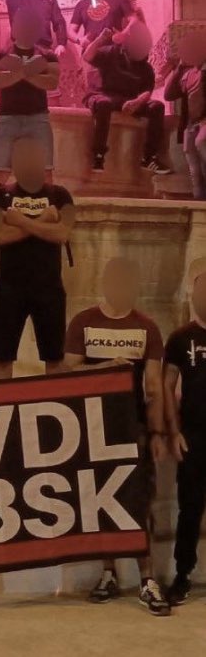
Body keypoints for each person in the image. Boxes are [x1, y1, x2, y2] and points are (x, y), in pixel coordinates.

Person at [62, 257, 169, 616]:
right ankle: (108, 572)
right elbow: (67, 372)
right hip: (91, 428)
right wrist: (107, 366)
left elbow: (153, 387)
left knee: (138, 502)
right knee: (99, 502)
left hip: (132, 426)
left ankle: (147, 578)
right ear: (104, 281)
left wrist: (156, 431)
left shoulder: (148, 329)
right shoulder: (83, 322)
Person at [0, 136, 75, 380]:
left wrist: (20, 221)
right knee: (1, 358)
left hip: (50, 288)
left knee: (55, 359)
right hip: (9, 288)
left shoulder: (60, 195)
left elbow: (62, 233)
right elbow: (0, 235)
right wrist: (43, 220)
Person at [163, 257, 206, 605]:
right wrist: (173, 431)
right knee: (189, 508)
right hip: (193, 435)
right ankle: (182, 575)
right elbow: (166, 387)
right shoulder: (180, 338)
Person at [83, 19, 171, 175]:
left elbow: (147, 90)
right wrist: (100, 40)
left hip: (128, 100)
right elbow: (88, 56)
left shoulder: (144, 66)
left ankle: (149, 157)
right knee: (103, 104)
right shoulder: (111, 52)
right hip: (102, 95)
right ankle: (98, 155)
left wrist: (137, 102)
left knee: (157, 107)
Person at [0, 7, 60, 184]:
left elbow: (52, 82)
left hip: (38, 117)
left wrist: (16, 70)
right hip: (8, 118)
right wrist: (31, 70)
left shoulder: (48, 55)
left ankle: (45, 210)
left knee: (45, 172)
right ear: (14, 28)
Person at [164, 31, 206, 198]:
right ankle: (199, 200)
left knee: (201, 142)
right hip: (192, 123)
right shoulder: (188, 74)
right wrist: (179, 67)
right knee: (193, 164)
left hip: (204, 122)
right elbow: (169, 94)